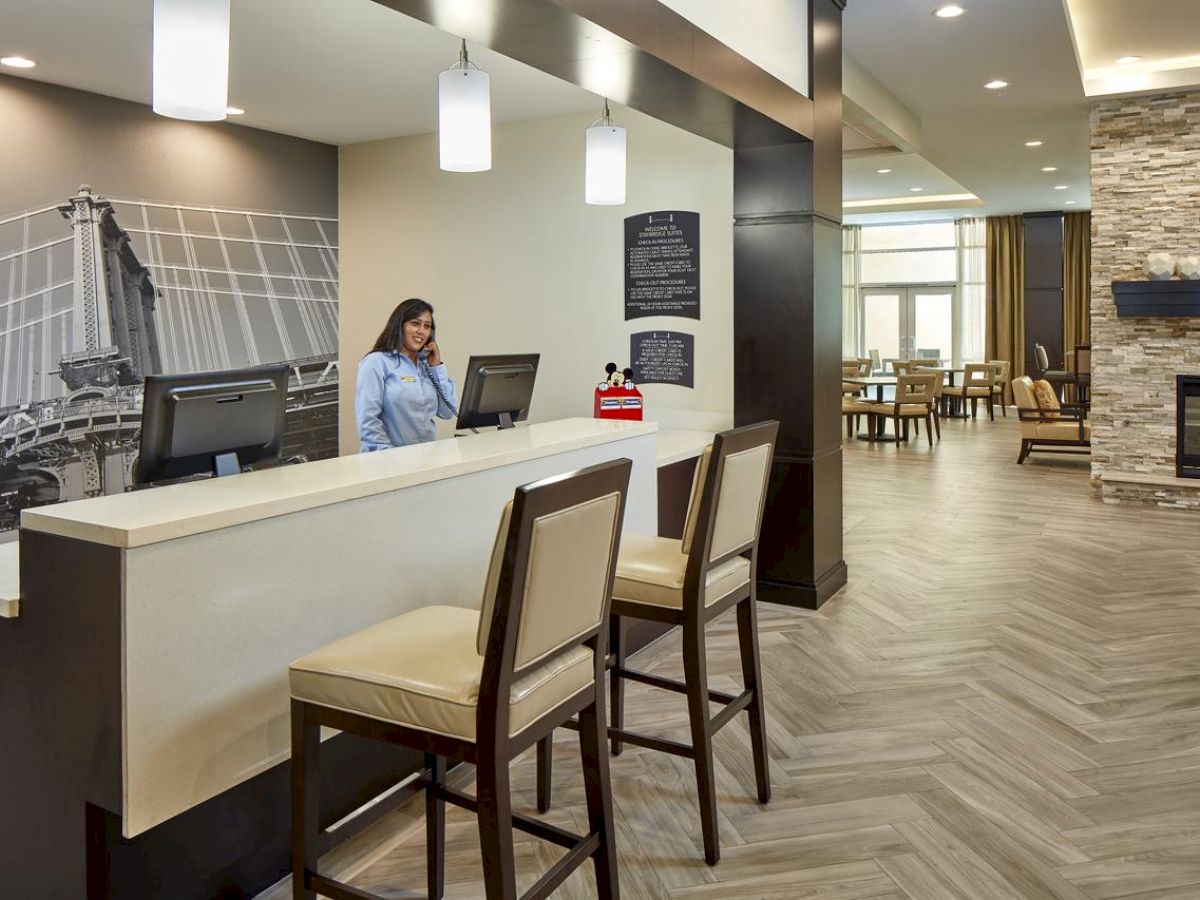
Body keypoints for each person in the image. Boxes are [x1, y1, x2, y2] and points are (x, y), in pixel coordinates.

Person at [356, 298, 458, 451]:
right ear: (399, 326)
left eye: (427, 326)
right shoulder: (376, 362)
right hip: (387, 462)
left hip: (426, 458)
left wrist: (436, 367)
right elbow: (368, 421)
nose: (421, 331)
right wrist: (390, 457)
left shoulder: (426, 366)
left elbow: (447, 412)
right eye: (415, 323)